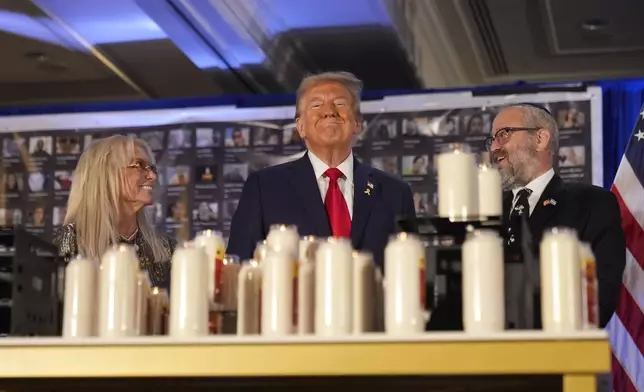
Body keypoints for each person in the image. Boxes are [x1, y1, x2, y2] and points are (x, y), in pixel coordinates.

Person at [226, 71, 417, 267]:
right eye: (316, 105)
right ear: (300, 127)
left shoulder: (395, 193)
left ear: (357, 123)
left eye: (340, 104)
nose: (329, 111)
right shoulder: (264, 188)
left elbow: (413, 270)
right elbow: (239, 266)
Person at [487, 103, 625, 327]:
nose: (493, 148)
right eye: (491, 140)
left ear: (540, 139)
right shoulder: (485, 212)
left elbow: (599, 298)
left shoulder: (592, 204)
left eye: (503, 135)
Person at [53, 135, 176, 289]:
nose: (152, 176)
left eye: (151, 168)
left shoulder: (168, 250)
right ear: (105, 173)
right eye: (139, 164)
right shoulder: (69, 241)